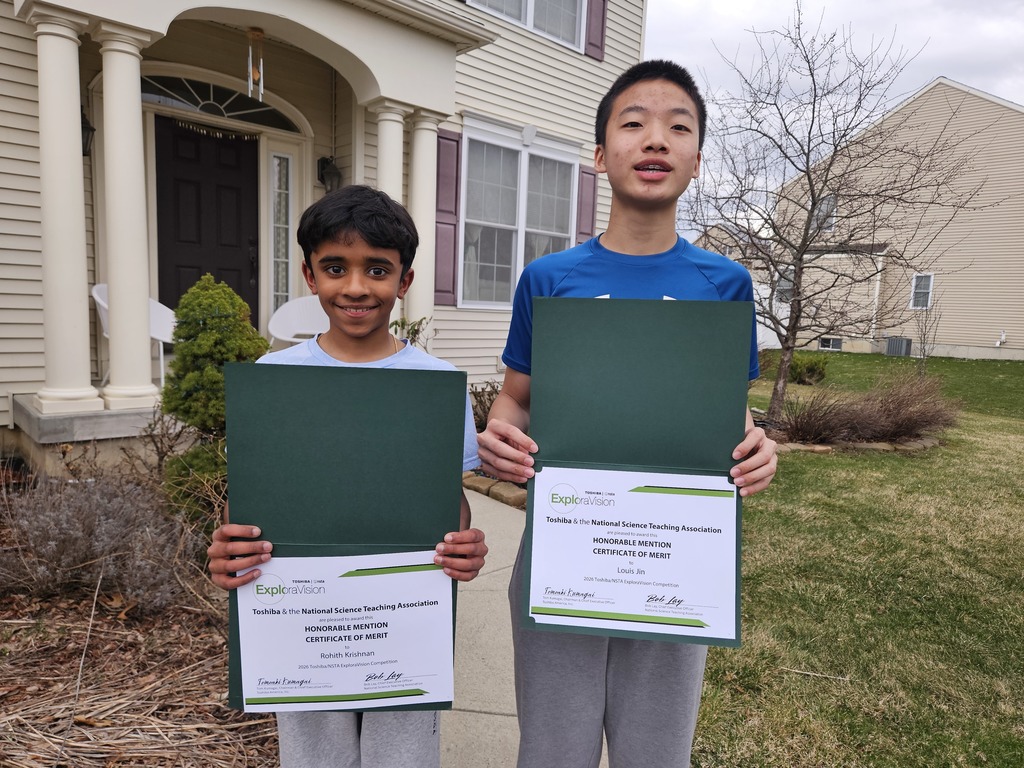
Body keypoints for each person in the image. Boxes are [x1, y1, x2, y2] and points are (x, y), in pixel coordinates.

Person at [477, 60, 778, 767]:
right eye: (634, 123)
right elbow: (517, 397)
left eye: (679, 128)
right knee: (553, 750)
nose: (656, 139)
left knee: (656, 753)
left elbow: (727, 412)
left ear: (696, 161)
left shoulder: (725, 284)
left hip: (677, 555)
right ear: (599, 154)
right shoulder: (550, 279)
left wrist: (757, 446)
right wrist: (499, 434)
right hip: (566, 549)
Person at [207, 184, 488, 768]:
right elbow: (253, 498)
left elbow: (449, 503)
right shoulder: (275, 377)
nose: (356, 287)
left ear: (405, 281)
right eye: (336, 268)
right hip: (302, 616)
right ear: (310, 275)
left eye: (377, 270)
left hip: (402, 618)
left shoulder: (436, 385)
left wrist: (463, 545)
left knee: (403, 755)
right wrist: (230, 545)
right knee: (315, 755)